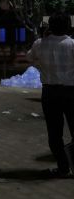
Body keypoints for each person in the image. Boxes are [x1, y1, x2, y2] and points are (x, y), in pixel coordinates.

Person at [27, 12, 74, 178]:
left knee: (55, 134)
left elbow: (30, 58)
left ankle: (63, 167)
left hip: (50, 92)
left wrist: (42, 67)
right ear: (68, 26)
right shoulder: (72, 44)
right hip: (71, 91)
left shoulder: (40, 44)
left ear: (49, 27)